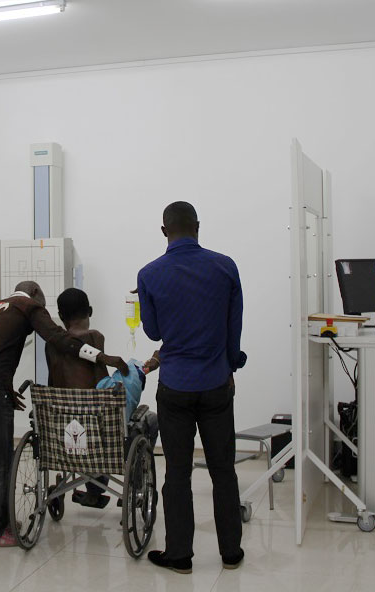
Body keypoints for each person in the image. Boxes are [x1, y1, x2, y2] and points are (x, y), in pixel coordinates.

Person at [0, 281, 128, 547]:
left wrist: (4, 386)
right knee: (0, 463)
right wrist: (104, 358)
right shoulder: (28, 306)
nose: (43, 308)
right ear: (35, 293)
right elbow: (59, 338)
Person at [137, 201, 247, 573]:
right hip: (217, 383)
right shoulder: (225, 267)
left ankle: (179, 554)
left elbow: (153, 332)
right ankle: (231, 552)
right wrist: (232, 363)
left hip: (175, 388)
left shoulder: (149, 274)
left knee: (177, 473)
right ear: (198, 226)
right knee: (224, 471)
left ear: (164, 231)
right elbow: (234, 329)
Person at [45, 287, 156, 509]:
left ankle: (94, 490)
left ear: (62, 316)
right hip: (96, 434)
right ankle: (134, 487)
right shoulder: (94, 337)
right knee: (150, 420)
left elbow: (53, 383)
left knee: (88, 422)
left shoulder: (51, 344)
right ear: (90, 311)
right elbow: (101, 386)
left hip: (63, 433)